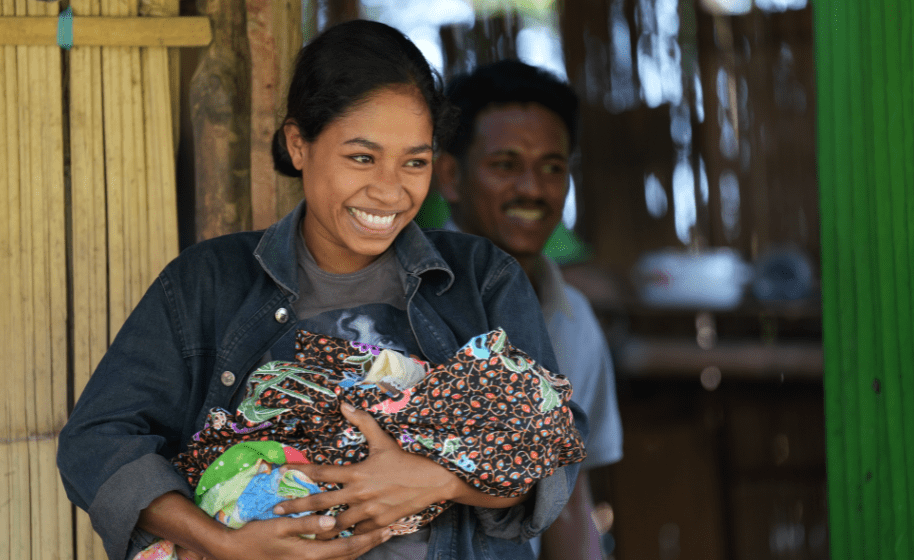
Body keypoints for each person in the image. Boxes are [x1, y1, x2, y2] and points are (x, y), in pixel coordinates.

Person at [57, 20, 587, 560]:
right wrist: (224, 543)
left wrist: (438, 481)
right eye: (362, 157)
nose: (388, 190)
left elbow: (552, 442)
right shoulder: (206, 282)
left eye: (415, 162)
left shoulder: (482, 279)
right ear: (298, 144)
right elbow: (98, 441)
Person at [434, 59, 623, 560]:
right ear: (450, 175)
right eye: (505, 165)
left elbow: (567, 496)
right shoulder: (404, 305)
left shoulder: (573, 318)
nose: (533, 189)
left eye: (552, 168)